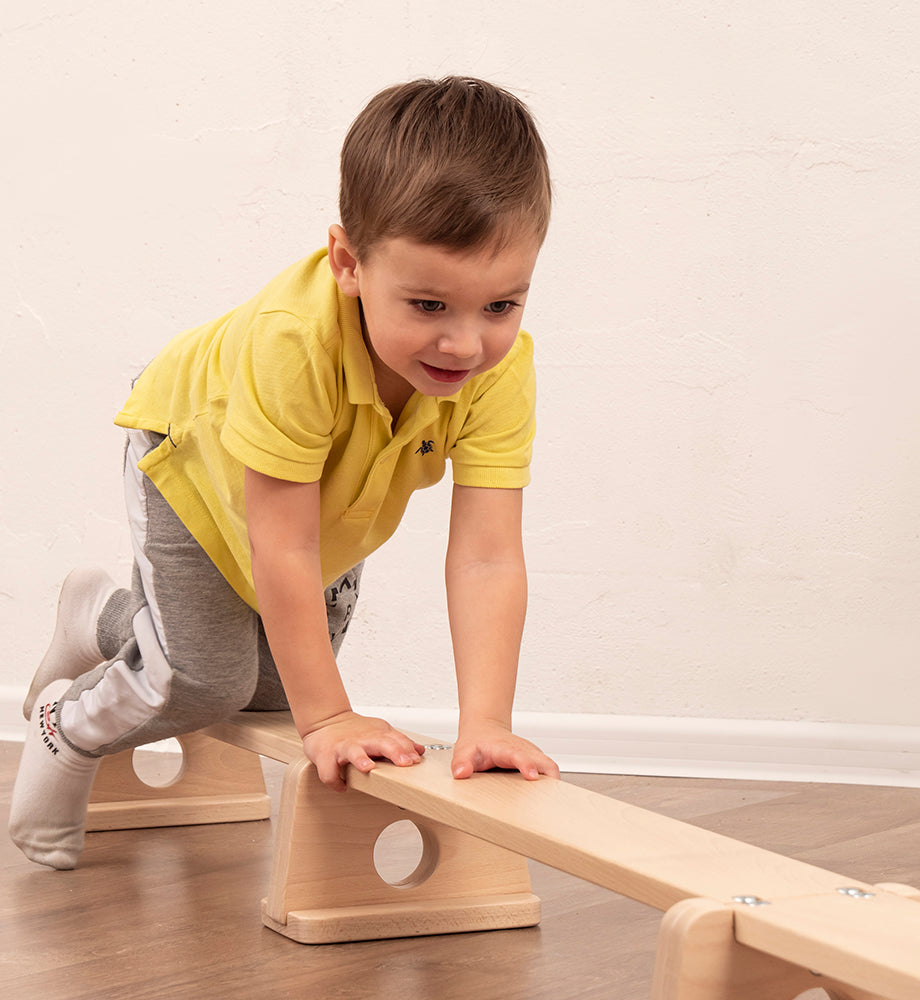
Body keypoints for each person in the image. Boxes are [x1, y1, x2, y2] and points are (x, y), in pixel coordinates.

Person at [10, 76, 560, 871]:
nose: (465, 346)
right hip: (197, 462)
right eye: (429, 306)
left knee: (272, 695)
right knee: (207, 681)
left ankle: (102, 617)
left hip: (327, 501)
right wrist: (331, 717)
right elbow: (282, 547)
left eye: (501, 307)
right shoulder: (292, 345)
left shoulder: (498, 376)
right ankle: (69, 725)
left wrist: (488, 722)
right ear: (348, 263)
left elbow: (487, 557)